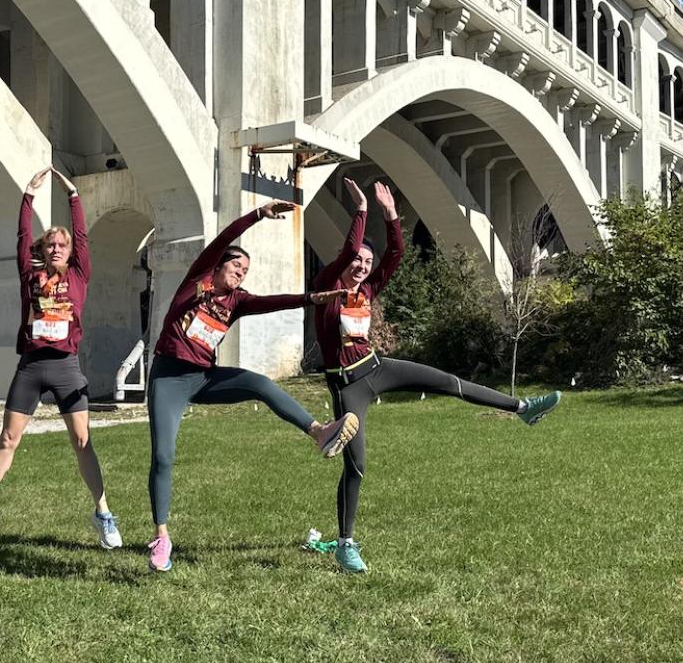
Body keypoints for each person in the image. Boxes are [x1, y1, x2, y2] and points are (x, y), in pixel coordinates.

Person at [311, 178, 561, 573]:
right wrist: (360, 211)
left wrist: (391, 214)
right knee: (356, 465)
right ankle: (345, 544)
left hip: (377, 368)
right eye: (356, 260)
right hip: (347, 385)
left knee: (449, 382)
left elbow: (396, 252)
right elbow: (345, 255)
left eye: (366, 263)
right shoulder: (327, 289)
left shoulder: (367, 291)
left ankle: (522, 407)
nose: (361, 266)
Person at [144, 199, 359, 572]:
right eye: (236, 265)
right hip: (168, 378)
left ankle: (320, 431)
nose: (241, 272)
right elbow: (225, 236)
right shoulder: (199, 279)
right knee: (163, 455)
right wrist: (257, 215)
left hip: (205, 378)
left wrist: (311, 299)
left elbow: (273, 302)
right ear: (219, 265)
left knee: (259, 383)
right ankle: (162, 536)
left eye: (246, 269)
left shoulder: (237, 301)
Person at [0, 167, 121, 549]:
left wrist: (74, 196)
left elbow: (81, 236)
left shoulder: (79, 274)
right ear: (42, 250)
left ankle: (103, 514)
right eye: (50, 244)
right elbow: (19, 238)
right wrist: (27, 197)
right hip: (31, 366)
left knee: (82, 441)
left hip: (66, 367)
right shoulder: (30, 277)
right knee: (7, 438)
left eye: (61, 245)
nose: (56, 248)